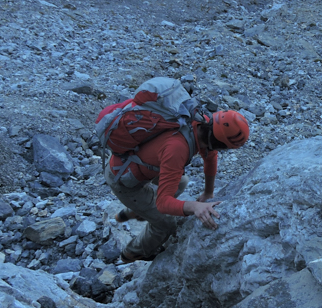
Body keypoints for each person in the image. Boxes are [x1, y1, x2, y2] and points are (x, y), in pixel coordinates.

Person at [105, 110, 250, 262]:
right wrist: (194, 207)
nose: (221, 151)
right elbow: (163, 204)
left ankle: (137, 212)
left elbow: (210, 156)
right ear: (216, 142)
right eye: (223, 147)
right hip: (124, 180)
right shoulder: (177, 148)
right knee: (166, 223)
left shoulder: (203, 123)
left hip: (135, 163)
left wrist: (208, 192)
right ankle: (131, 254)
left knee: (182, 182)